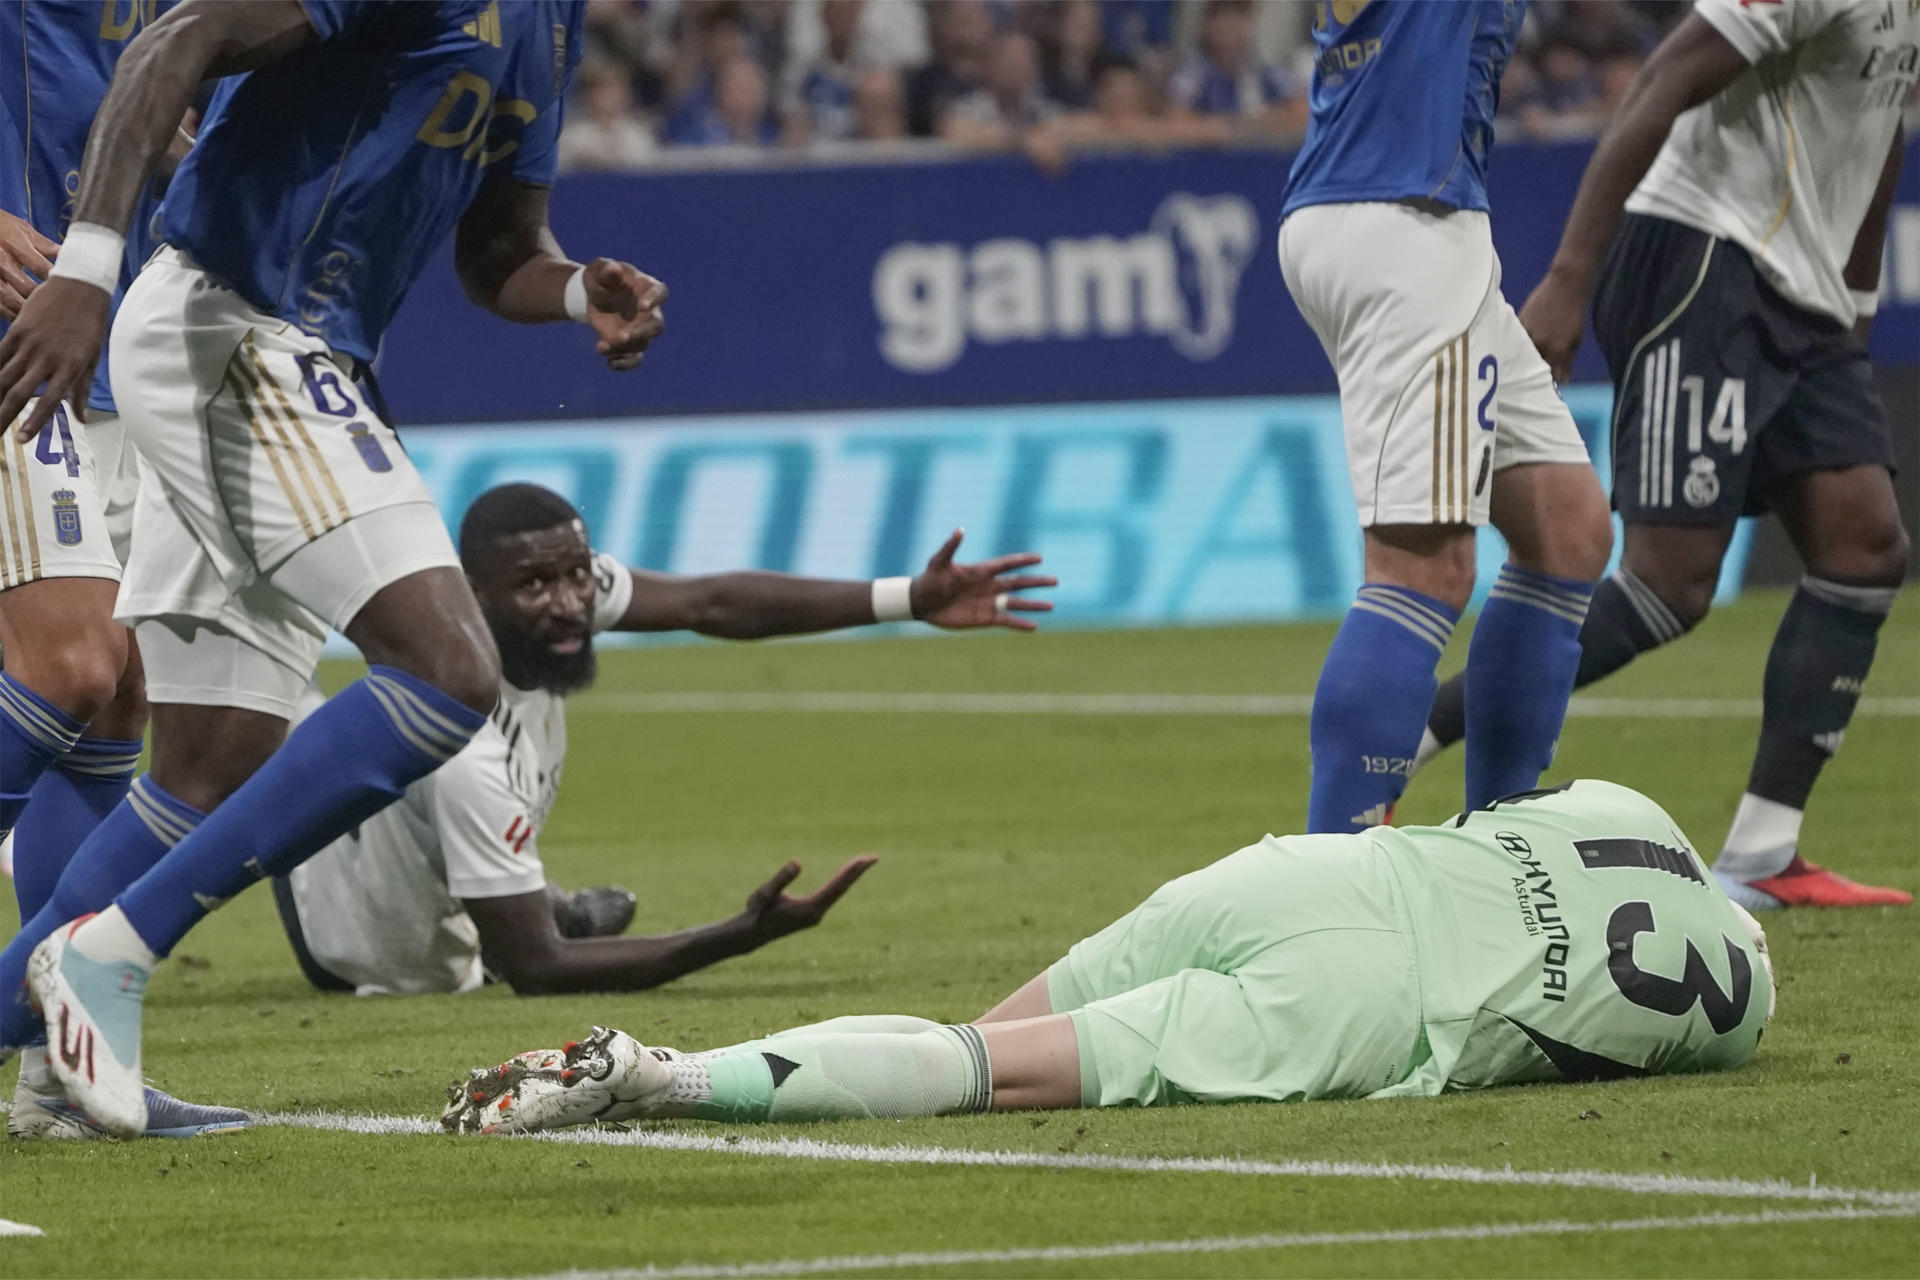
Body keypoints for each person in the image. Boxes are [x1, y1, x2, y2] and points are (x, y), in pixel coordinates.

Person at [0, 0, 667, 1141]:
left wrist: (571, 291)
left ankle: (55, 1080)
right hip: (236, 329)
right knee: (449, 671)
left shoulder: (551, 24)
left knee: (207, 767)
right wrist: (89, 269)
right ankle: (109, 949)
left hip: (295, 350)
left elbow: (499, 249)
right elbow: (176, 40)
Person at [442, 779, 1774, 1133]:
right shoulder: (1736, 1013)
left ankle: (693, 1070)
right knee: (982, 1079)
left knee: (974, 1040)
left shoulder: (1633, 810)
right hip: (1369, 1003)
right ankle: (664, 1077)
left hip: (1303, 875)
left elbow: (1484, 816)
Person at [1416, 0, 1915, 910]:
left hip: (1807, 296)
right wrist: (1570, 277)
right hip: (1704, 258)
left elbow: (1877, 139)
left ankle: (1763, 852)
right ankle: (1416, 730)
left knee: (1865, 548)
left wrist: (1857, 303)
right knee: (1668, 584)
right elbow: (1665, 78)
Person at [278, 483, 1053, 997]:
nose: (569, 603)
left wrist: (908, 597)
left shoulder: (547, 610)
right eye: (535, 586)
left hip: (399, 848)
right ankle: (543, 908)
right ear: (473, 596)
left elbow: (709, 603)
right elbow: (537, 969)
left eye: (578, 576)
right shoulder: (465, 746)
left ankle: (545, 902)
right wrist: (734, 936)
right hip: (359, 945)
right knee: (259, 734)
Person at [1277, 1, 1614, 835]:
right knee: (1423, 566)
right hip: (1404, 216)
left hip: (1391, 203)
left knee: (1569, 528)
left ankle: (1500, 847)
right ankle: (1336, 877)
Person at [0, 0, 246, 1141]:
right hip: (21, 326)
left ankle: (62, 1077)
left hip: (120, 330)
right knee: (72, 664)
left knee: (123, 699)